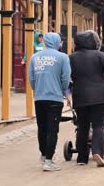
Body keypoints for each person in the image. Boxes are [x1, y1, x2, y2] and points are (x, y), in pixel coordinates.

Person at [28, 33, 71, 172]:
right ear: (57, 42)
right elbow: (65, 78)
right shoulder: (62, 57)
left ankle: (44, 154)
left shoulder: (34, 57)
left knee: (42, 127)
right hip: (55, 98)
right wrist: (64, 91)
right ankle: (48, 161)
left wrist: (38, 89)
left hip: (39, 98)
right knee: (52, 130)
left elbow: (31, 79)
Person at [70, 31, 104, 167]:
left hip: (80, 96)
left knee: (82, 126)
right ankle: (97, 152)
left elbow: (67, 75)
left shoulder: (71, 57)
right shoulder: (98, 54)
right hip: (99, 96)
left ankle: (82, 158)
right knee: (98, 125)